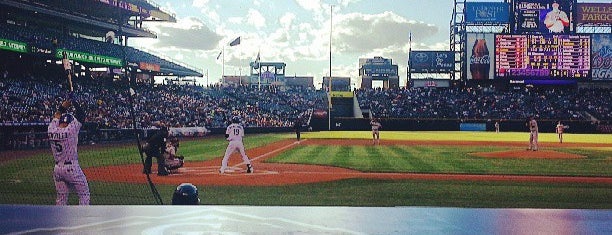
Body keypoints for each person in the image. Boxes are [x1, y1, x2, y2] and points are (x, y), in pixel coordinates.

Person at [47, 96, 90, 205]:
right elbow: (81, 116)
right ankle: (82, 219)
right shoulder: (71, 129)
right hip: (72, 168)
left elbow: (56, 115)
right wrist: (74, 101)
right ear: (70, 122)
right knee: (84, 195)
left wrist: (63, 107)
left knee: (61, 199)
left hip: (57, 169)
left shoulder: (51, 129)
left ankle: (59, 220)